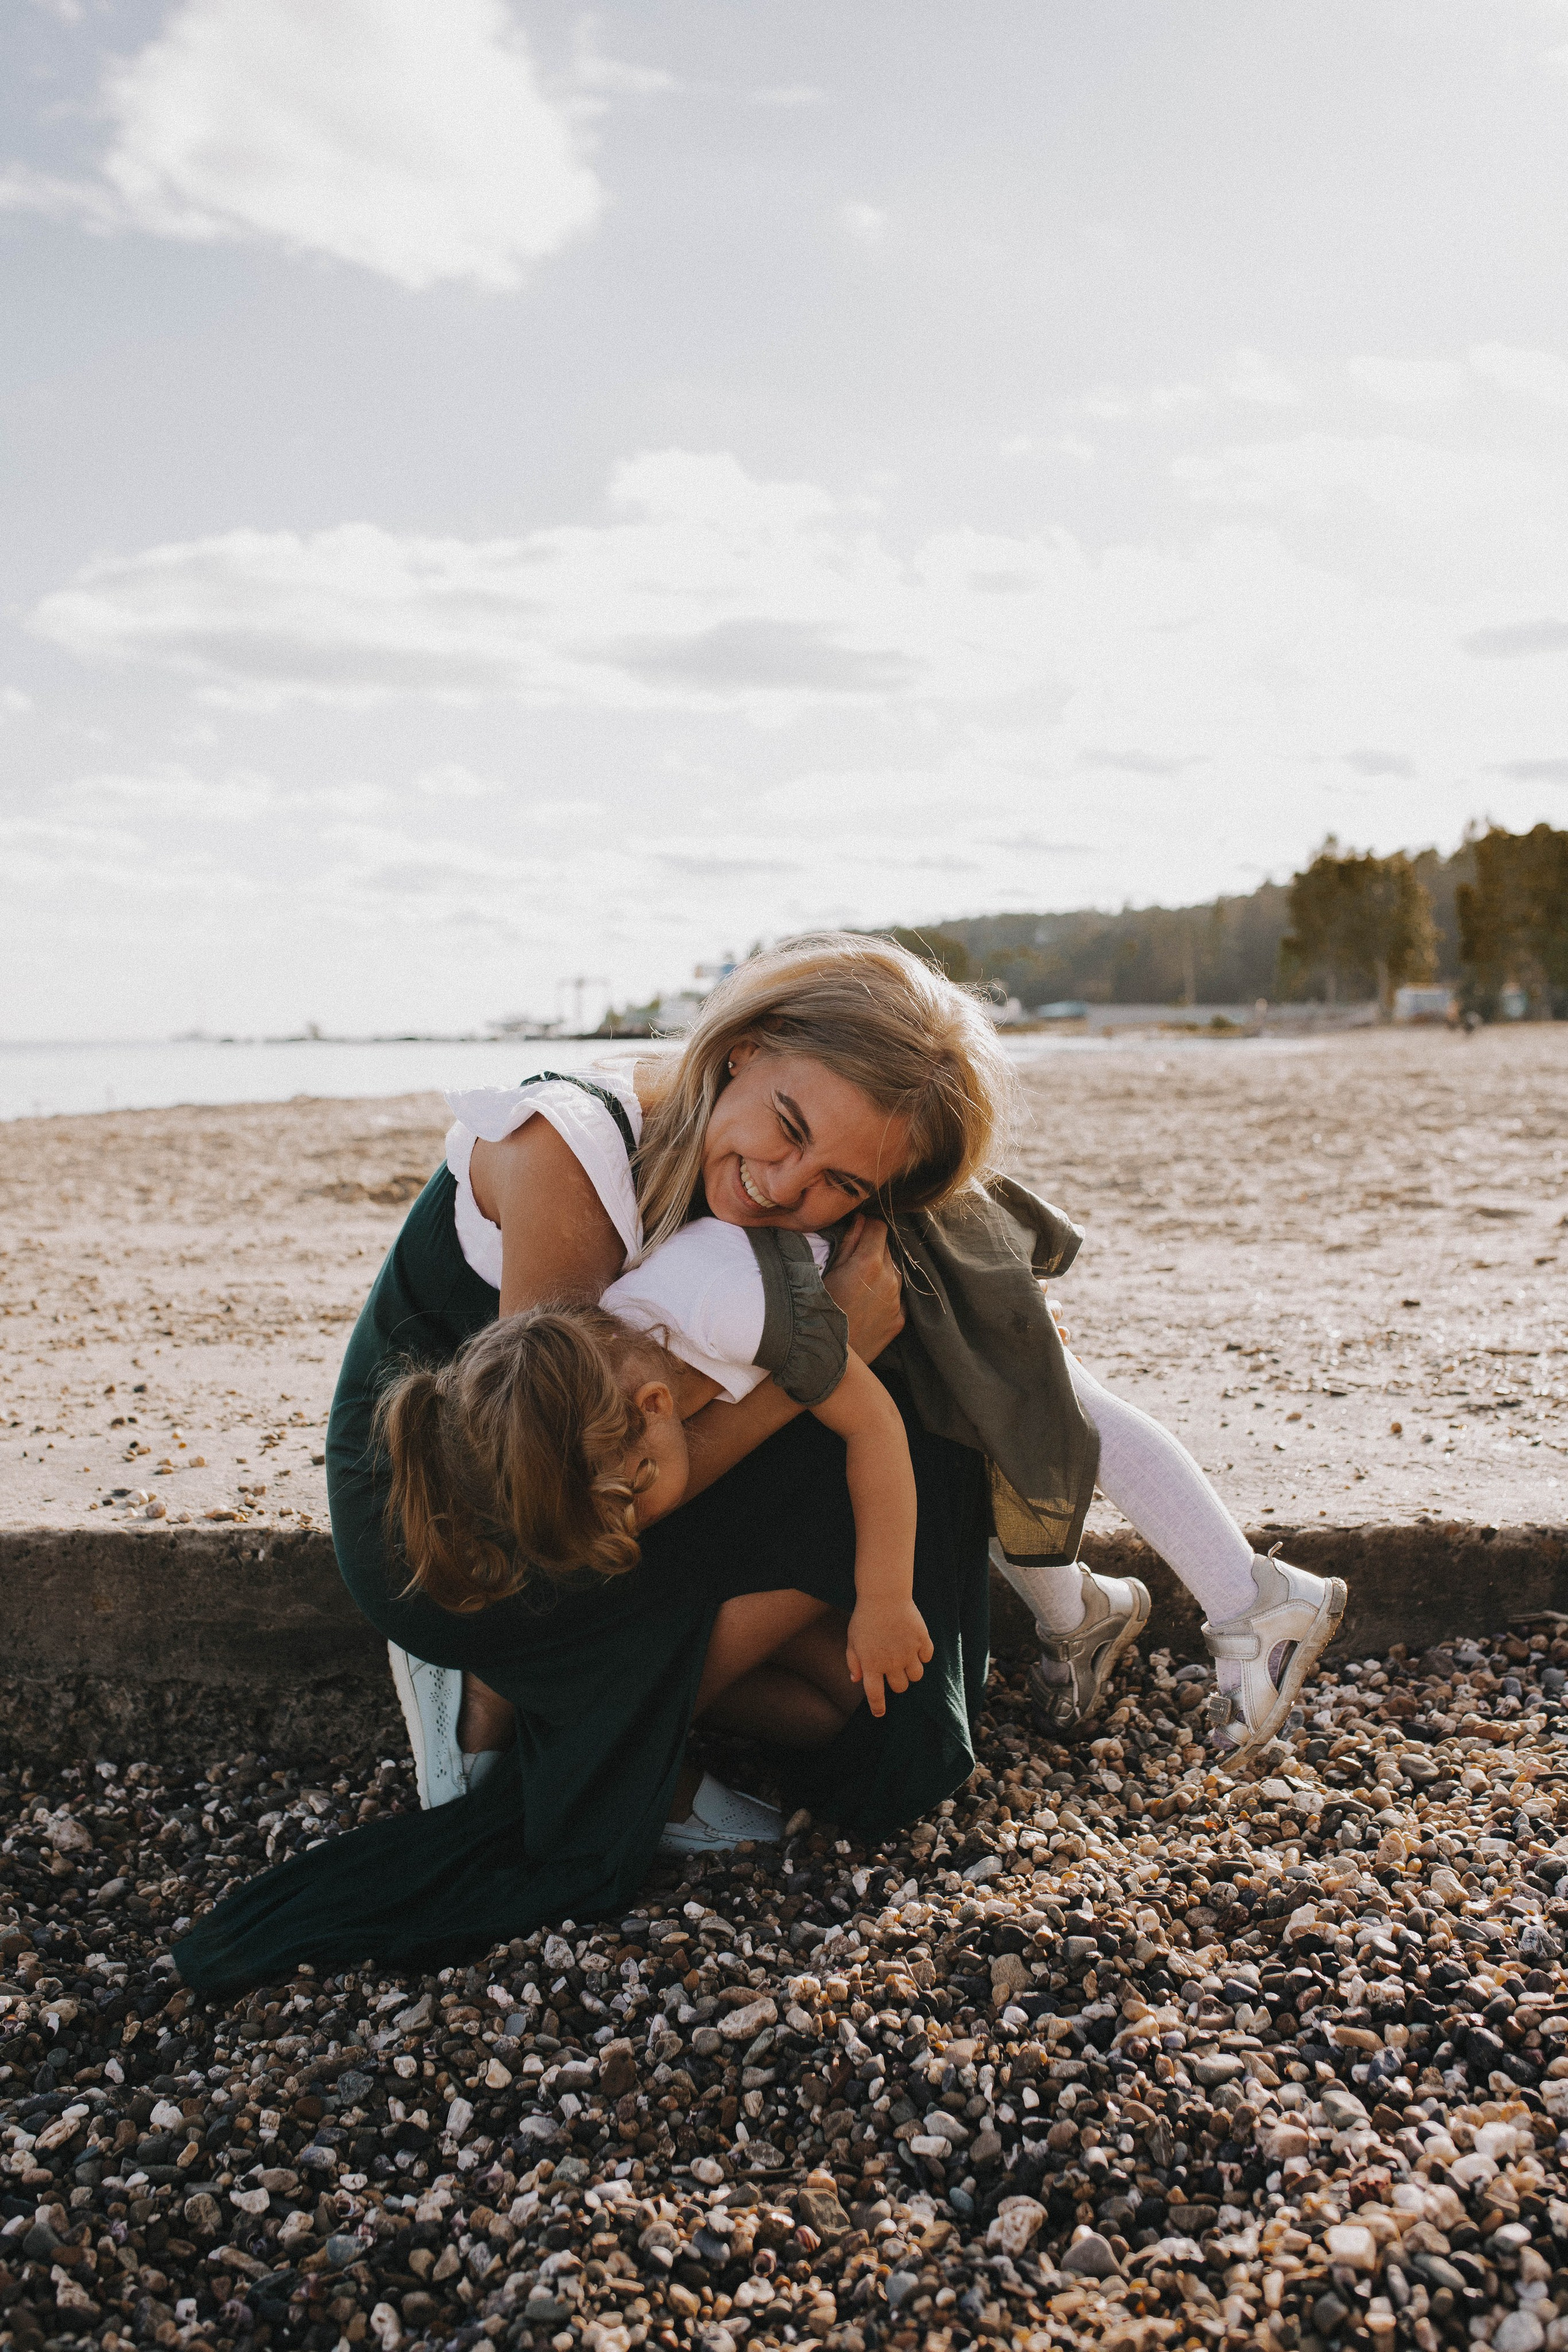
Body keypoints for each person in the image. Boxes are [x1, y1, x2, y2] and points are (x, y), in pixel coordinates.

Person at [174, 933, 1341, 1994]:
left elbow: (806, 1371)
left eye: (842, 1180)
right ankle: (517, 1694)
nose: (790, 1188)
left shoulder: (789, 1198)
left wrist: (946, 1341)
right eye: (787, 1128)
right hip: (473, 1507)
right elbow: (576, 1492)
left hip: (640, 1468)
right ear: (739, 1050)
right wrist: (827, 1361)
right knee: (841, 1447)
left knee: (883, 1662)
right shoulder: (565, 1150)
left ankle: (617, 1706)